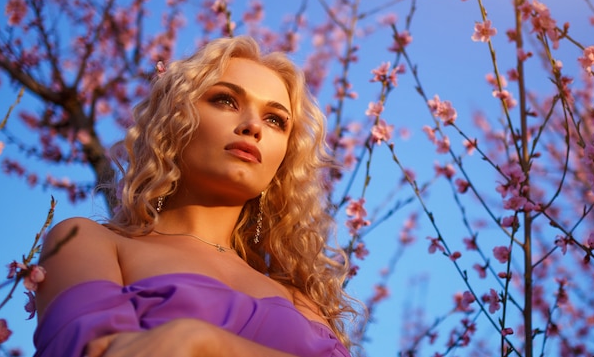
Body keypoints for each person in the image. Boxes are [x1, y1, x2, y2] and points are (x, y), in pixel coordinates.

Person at [33, 36, 356, 357]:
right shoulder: (89, 243)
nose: (254, 126)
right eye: (226, 100)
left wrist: (206, 344)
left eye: (275, 120)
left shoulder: (300, 301)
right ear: (174, 121)